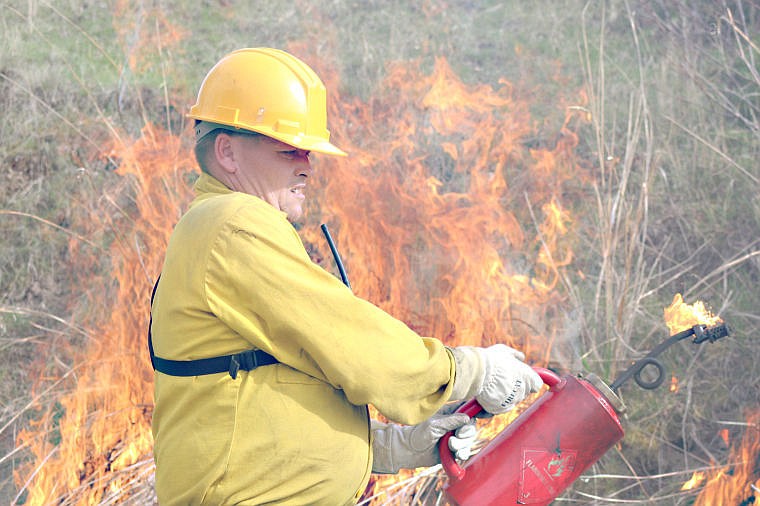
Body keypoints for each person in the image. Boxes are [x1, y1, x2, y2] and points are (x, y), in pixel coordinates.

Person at [149, 47, 542, 505]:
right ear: (228, 152)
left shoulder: (222, 229)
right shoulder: (232, 223)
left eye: (308, 152)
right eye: (288, 150)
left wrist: (389, 447)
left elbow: (272, 396)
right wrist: (471, 372)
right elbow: (351, 341)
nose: (307, 166)